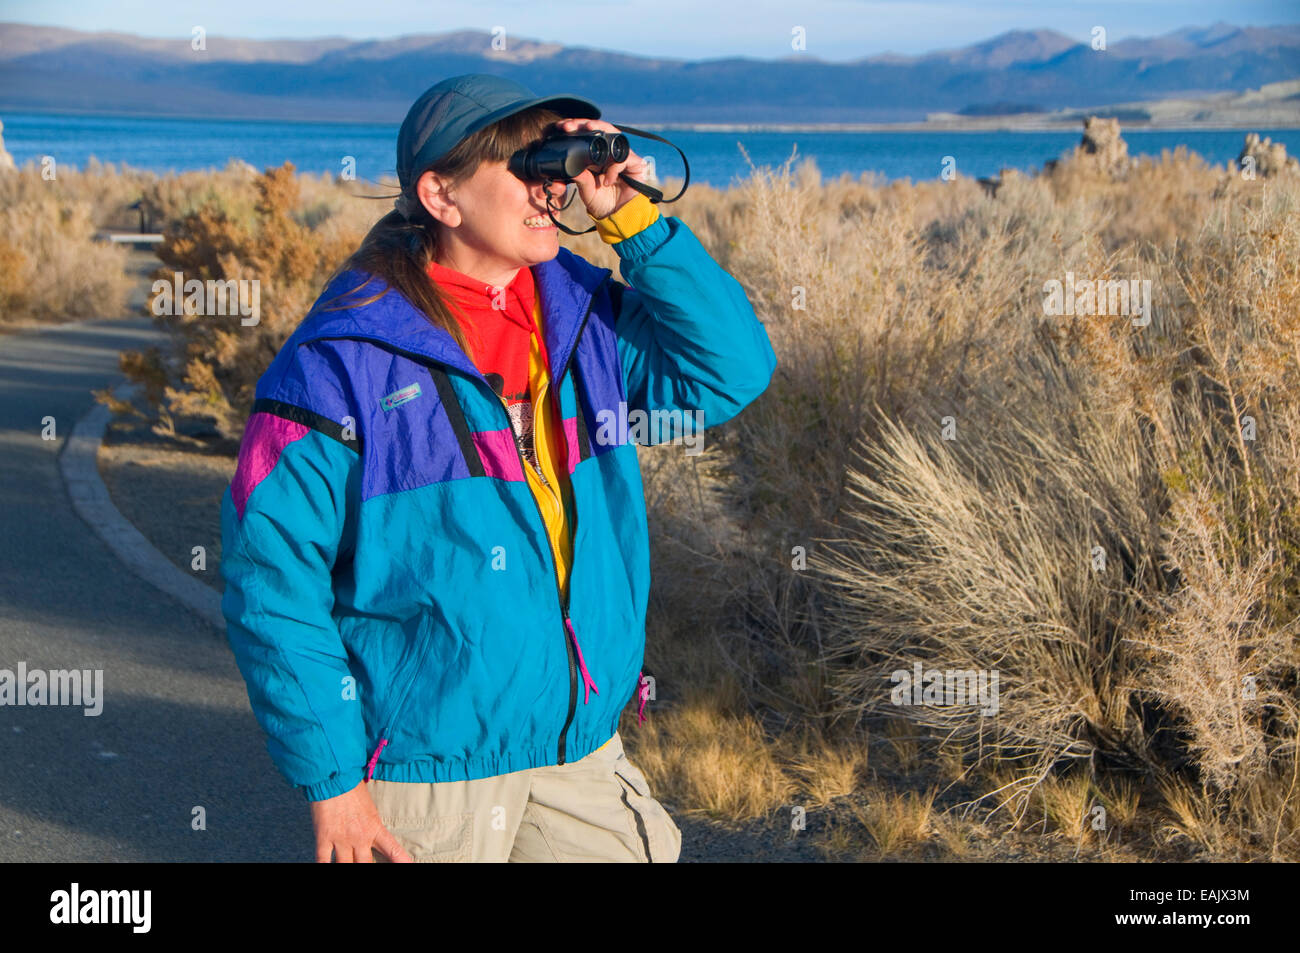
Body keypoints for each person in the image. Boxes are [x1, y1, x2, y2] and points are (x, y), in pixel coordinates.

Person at [220, 73, 777, 862]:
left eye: (554, 163)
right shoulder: (340, 361)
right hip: (429, 773)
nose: (550, 188)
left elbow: (731, 369)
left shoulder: (585, 324)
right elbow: (272, 582)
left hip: (576, 748)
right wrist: (334, 784)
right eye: (526, 166)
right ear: (441, 195)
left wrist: (631, 217)